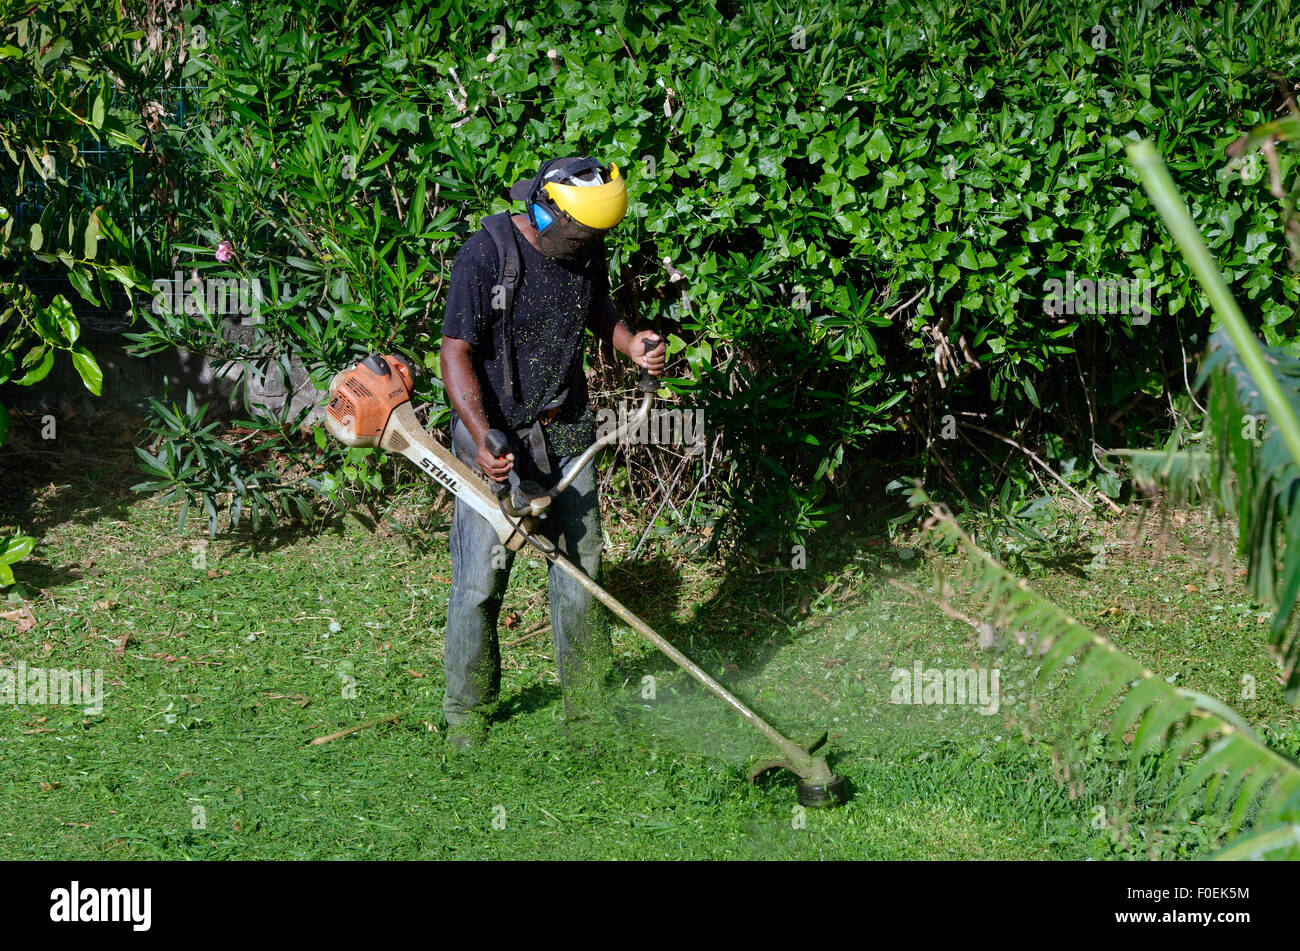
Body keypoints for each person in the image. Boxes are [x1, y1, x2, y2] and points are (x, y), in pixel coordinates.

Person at [438, 155, 665, 749]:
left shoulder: (585, 250)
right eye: (584, 233)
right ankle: (467, 713)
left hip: (566, 429)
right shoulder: (484, 256)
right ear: (547, 211)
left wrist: (630, 342)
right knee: (480, 582)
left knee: (580, 577)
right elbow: (455, 351)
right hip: (494, 439)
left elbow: (597, 312)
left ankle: (587, 712)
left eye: (599, 236)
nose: (592, 243)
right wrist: (483, 436)